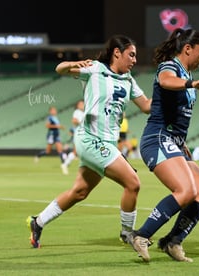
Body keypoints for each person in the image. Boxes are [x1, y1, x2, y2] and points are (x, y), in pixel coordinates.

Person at [26, 34, 151, 249]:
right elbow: (60, 69)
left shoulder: (129, 80)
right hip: (90, 138)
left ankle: (38, 222)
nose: (134, 60)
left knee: (79, 192)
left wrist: (170, 90)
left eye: (135, 56)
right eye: (131, 55)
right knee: (133, 182)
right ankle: (127, 233)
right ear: (116, 53)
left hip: (106, 144)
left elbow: (147, 106)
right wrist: (74, 63)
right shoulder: (95, 69)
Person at [130, 28, 199, 262]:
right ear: (188, 49)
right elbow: (165, 81)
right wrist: (192, 84)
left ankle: (172, 241)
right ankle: (141, 235)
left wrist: (183, 144)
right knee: (186, 191)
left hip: (175, 142)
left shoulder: (185, 73)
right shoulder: (170, 67)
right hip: (157, 138)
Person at [60, 100, 85, 175]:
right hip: (79, 133)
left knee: (78, 151)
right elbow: (74, 120)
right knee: (76, 151)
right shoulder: (77, 112)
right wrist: (81, 123)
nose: (82, 105)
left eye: (82, 104)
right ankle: (65, 164)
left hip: (82, 133)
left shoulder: (83, 112)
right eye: (80, 104)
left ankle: (65, 164)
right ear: (77, 106)